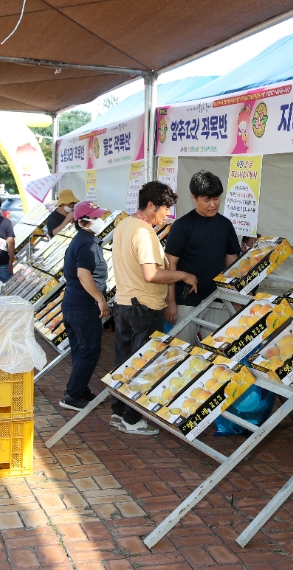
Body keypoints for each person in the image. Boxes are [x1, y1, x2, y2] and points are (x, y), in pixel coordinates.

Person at [109, 181, 197, 435]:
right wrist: (182, 275)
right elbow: (151, 274)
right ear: (150, 206)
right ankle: (132, 419)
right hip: (145, 308)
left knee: (123, 362)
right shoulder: (144, 232)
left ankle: (118, 412)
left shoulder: (123, 225)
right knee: (142, 364)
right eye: (165, 208)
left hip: (124, 305)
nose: (167, 215)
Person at [164, 171, 240, 342]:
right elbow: (170, 265)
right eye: (207, 200)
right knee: (181, 349)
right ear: (194, 197)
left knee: (218, 348)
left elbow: (232, 263)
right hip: (186, 300)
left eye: (216, 199)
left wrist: (234, 297)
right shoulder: (182, 226)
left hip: (218, 300)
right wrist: (171, 302)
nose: (213, 204)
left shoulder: (225, 225)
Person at [59, 201, 111, 411]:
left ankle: (79, 389)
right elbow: (83, 274)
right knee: (89, 350)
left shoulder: (82, 240)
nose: (100, 221)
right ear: (82, 221)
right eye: (96, 218)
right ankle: (72, 395)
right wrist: (100, 299)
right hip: (83, 306)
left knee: (80, 350)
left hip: (72, 304)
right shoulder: (87, 243)